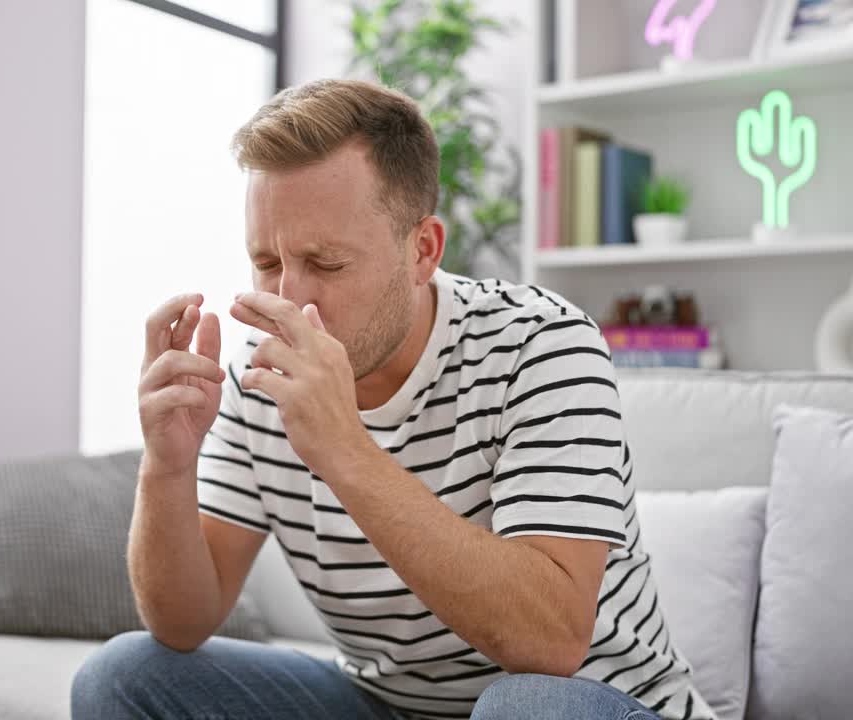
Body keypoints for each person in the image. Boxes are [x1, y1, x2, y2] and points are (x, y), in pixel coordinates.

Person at [72, 79, 715, 720]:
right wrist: (168, 466)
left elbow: (549, 643)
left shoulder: (541, 344)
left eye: (326, 264)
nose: (290, 298)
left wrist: (344, 448)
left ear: (422, 250)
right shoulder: (257, 379)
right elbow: (184, 623)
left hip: (586, 704)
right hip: (386, 706)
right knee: (123, 677)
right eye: (267, 262)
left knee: (529, 709)